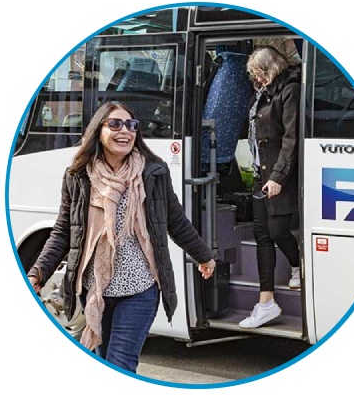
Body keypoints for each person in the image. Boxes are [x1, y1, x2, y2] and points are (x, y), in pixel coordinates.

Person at [27, 102, 216, 372]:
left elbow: (174, 220)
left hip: (139, 290)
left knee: (121, 363)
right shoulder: (78, 176)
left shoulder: (153, 172)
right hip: (95, 291)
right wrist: (38, 273)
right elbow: (64, 232)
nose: (125, 131)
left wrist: (204, 255)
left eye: (131, 125)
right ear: (98, 131)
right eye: (115, 124)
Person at [239, 46, 301, 329]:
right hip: (260, 173)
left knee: (277, 230)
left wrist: (277, 176)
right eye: (254, 75)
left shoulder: (290, 90)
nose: (257, 78)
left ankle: (298, 264)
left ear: (272, 67)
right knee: (262, 234)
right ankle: (266, 303)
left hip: (280, 175)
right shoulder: (262, 94)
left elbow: (291, 139)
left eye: (259, 73)